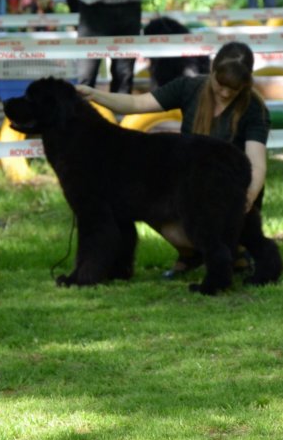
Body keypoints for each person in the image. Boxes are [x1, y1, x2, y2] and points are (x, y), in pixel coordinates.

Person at [76, 41, 269, 278]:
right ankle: (193, 253)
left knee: (209, 225)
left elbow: (257, 163)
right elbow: (137, 103)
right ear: (212, 72)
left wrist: (248, 197)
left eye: (234, 89)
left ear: (246, 83)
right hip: (193, 185)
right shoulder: (189, 87)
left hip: (230, 189)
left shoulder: (255, 109)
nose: (226, 93)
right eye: (221, 85)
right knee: (144, 194)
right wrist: (94, 94)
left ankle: (232, 249)